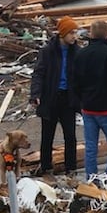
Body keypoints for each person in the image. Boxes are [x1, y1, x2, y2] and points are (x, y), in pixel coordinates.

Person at [73, 19, 107, 178]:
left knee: (90, 146)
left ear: (91, 34)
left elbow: (75, 80)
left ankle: (91, 178)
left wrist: (81, 100)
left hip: (88, 107)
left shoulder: (81, 53)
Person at [30, 16, 81, 174]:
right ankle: (46, 166)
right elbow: (38, 74)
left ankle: (71, 168)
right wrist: (35, 94)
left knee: (70, 135)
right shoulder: (47, 51)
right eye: (71, 33)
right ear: (62, 33)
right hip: (50, 97)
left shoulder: (77, 52)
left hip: (68, 98)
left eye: (75, 33)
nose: (74, 36)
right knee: (47, 135)